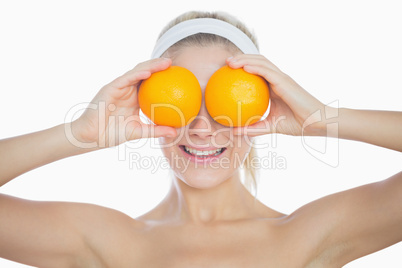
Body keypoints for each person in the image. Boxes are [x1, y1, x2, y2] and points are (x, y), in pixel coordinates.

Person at [0, 10, 401, 267]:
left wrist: (322, 119)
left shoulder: (308, 234)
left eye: (223, 100)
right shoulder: (108, 241)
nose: (202, 127)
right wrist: (79, 134)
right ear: (147, 105)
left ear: (261, 104)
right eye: (184, 99)